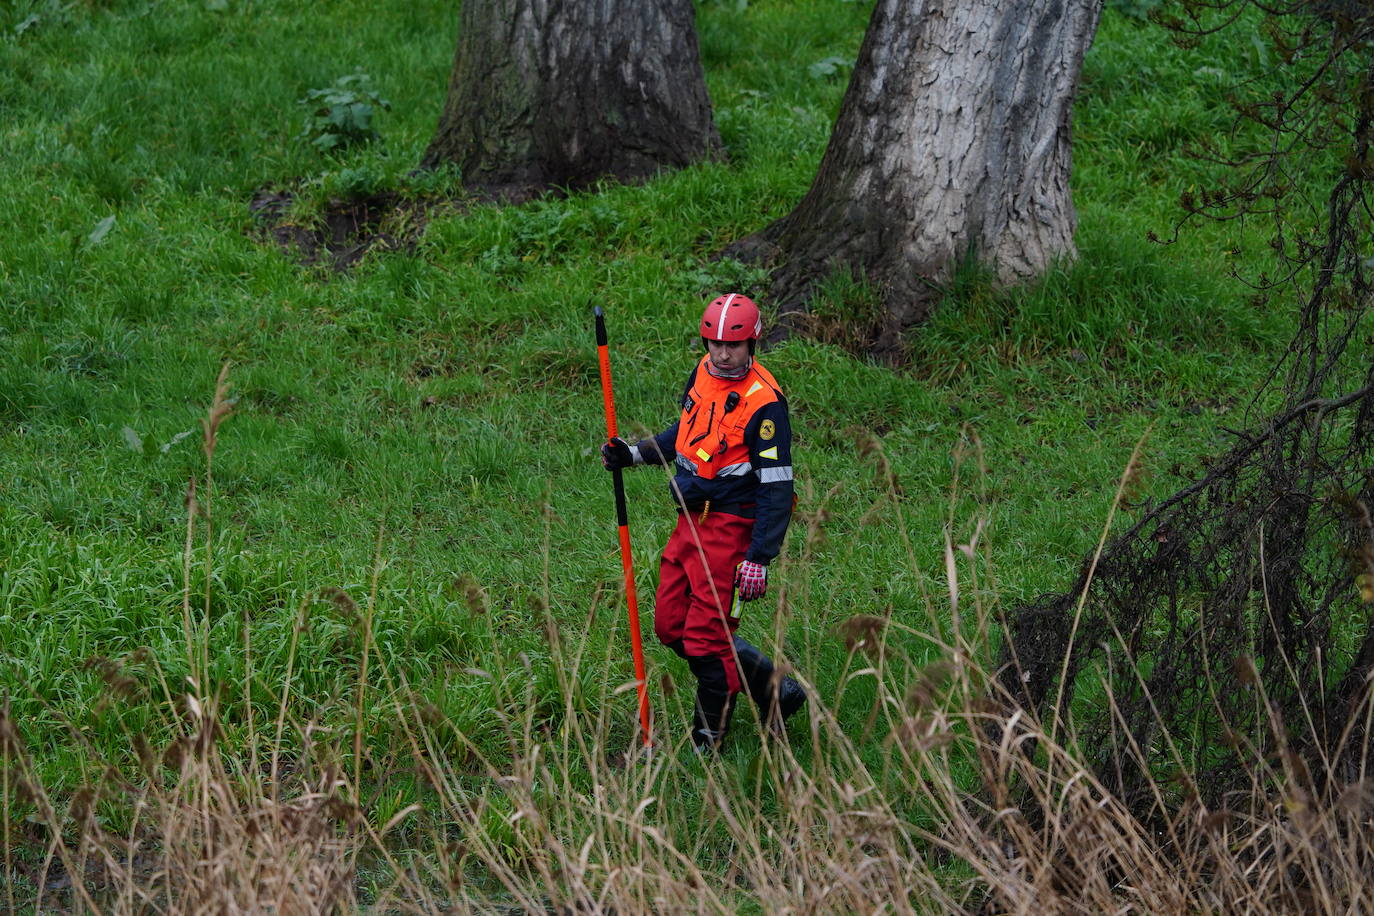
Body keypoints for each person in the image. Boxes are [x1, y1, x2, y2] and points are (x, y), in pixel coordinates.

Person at [602, 293, 807, 751]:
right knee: (669, 626)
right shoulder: (702, 373)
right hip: (689, 523)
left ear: (752, 343)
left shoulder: (766, 405)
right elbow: (687, 434)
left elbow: (777, 488)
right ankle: (774, 688)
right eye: (713, 342)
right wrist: (634, 453)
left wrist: (759, 558)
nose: (721, 353)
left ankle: (708, 738)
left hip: (732, 530)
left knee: (703, 640)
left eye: (732, 345)